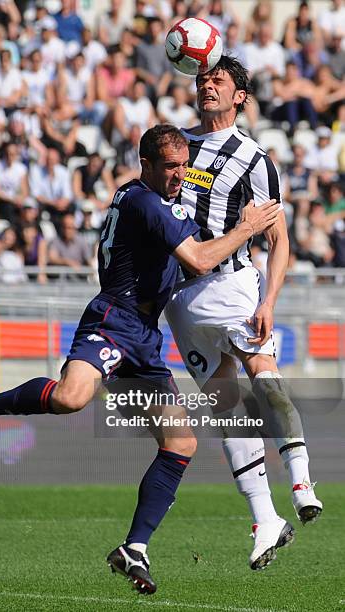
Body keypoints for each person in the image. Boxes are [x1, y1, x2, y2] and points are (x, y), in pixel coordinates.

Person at [0, 124, 278, 595]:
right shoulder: (143, 201)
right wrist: (248, 228)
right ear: (146, 165)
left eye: (184, 166)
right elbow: (197, 258)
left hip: (145, 335)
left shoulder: (156, 200)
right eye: (170, 167)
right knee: (72, 398)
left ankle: (134, 547)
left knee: (181, 443)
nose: (180, 175)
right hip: (115, 318)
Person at [164, 56, 323, 572]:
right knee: (227, 410)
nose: (208, 85)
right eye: (203, 79)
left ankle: (300, 481)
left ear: (239, 96)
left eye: (219, 80)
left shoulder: (254, 159)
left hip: (233, 286)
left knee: (267, 381)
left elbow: (278, 243)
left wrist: (269, 302)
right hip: (183, 300)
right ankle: (265, 521)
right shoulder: (176, 150)